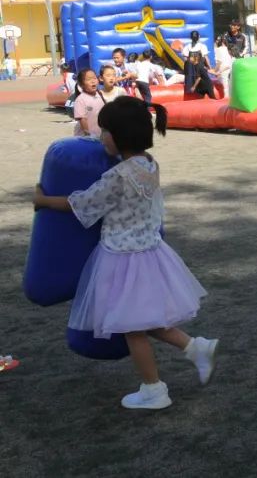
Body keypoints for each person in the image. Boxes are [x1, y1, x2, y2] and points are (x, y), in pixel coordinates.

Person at [33, 97, 218, 410]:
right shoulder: (149, 164)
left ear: (118, 136)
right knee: (145, 319)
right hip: (149, 253)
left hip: (122, 258)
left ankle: (154, 389)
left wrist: (43, 200)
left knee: (132, 328)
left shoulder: (117, 177)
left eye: (104, 130)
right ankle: (196, 348)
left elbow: (82, 204)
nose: (100, 136)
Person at [72, 68, 105, 137]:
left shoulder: (100, 94)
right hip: (86, 138)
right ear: (81, 85)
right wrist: (88, 135)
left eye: (94, 78)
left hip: (100, 136)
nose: (93, 81)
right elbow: (82, 119)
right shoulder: (80, 99)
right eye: (88, 79)